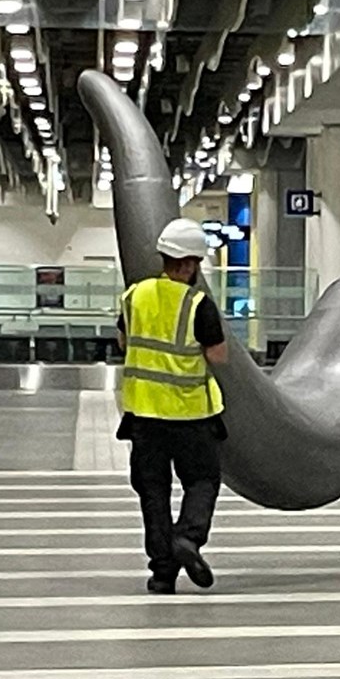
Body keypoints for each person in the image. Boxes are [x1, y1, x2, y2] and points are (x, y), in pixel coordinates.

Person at [116, 218, 229, 594]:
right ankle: (188, 537)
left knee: (153, 491)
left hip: (144, 417)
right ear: (188, 264)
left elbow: (122, 341)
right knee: (203, 480)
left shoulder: (135, 296)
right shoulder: (198, 304)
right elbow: (219, 356)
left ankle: (162, 573)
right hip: (191, 415)